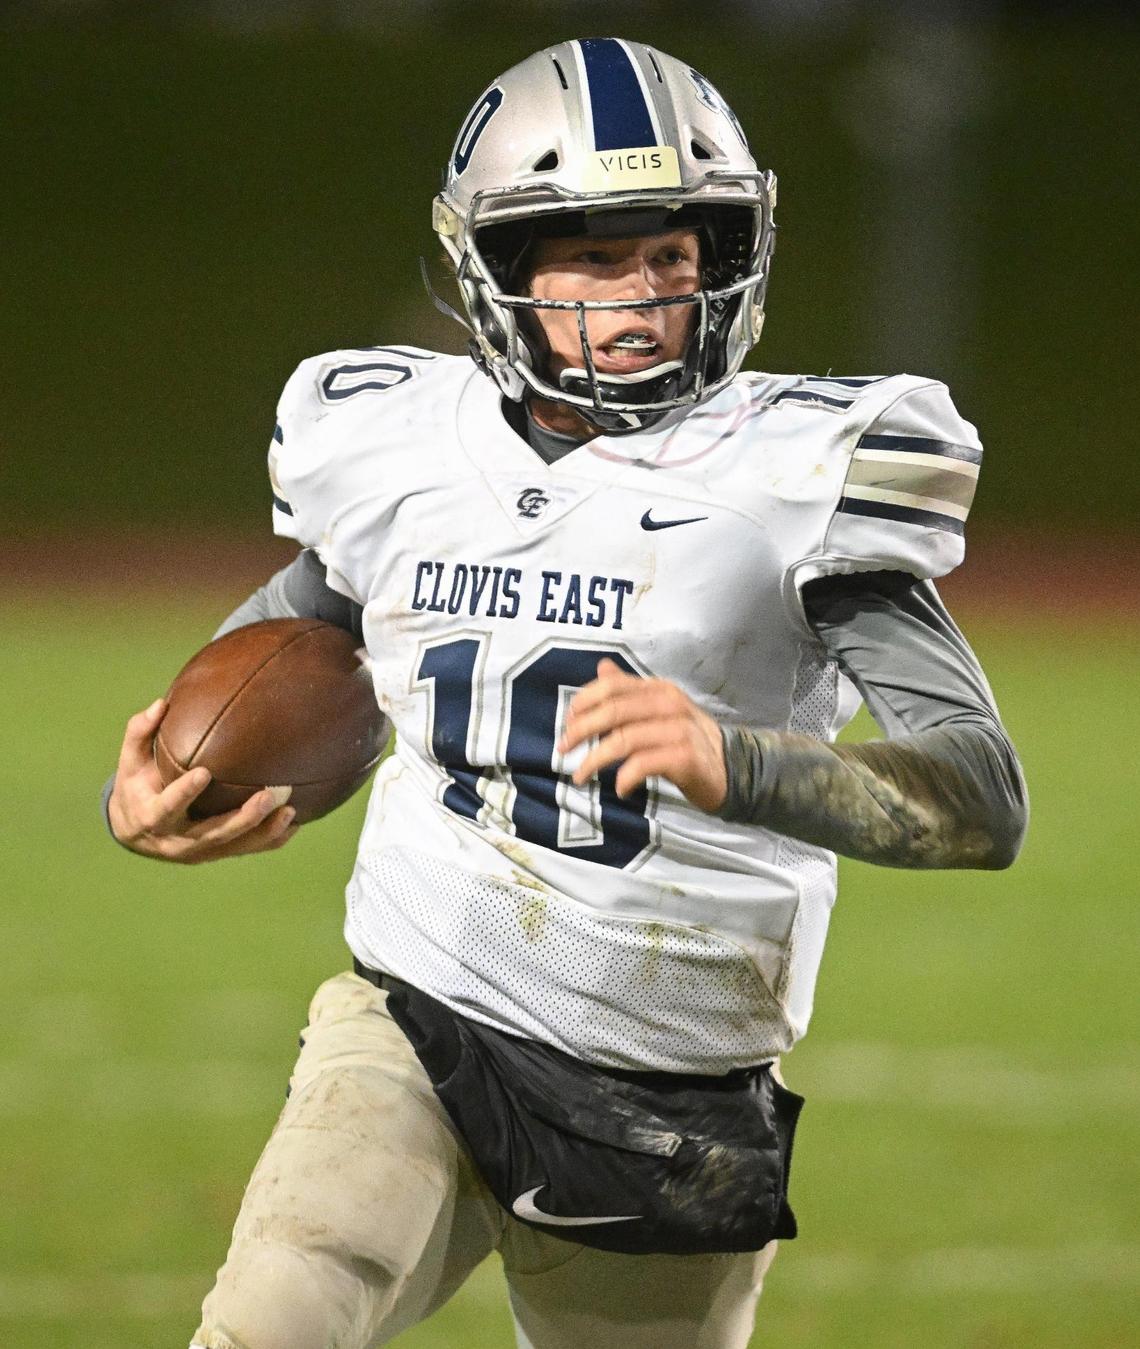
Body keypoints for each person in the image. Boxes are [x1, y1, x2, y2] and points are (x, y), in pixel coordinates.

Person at [105, 37, 1027, 1349]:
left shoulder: (795, 473)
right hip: (418, 1005)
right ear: (501, 268)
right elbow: (293, 635)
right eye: (595, 255)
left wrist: (735, 761)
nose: (645, 294)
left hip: (671, 1079)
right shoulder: (400, 444)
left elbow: (982, 795)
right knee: (277, 1309)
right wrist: (157, 781)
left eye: (675, 251)